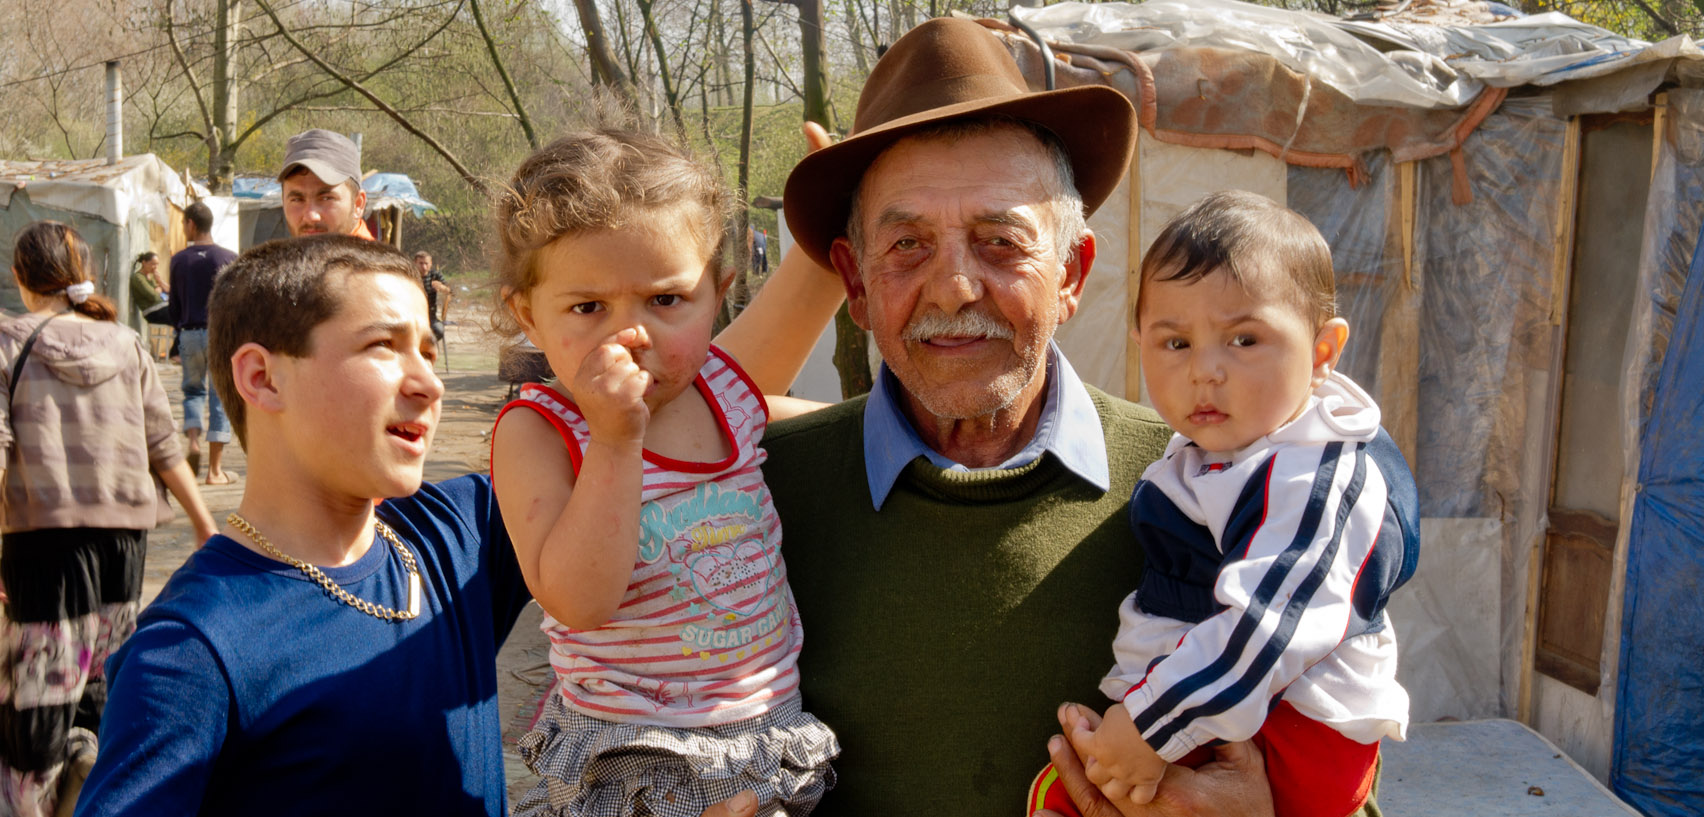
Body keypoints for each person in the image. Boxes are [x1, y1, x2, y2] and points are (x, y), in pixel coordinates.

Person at [763, 18, 1347, 817]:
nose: (954, 288)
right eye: (906, 245)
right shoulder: (760, 498)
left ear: (1073, 272)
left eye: (1000, 240)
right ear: (855, 284)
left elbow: (1344, 773)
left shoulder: (1216, 491)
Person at [74, 235, 764, 817]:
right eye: (384, 345)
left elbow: (699, 390)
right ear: (262, 377)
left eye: (429, 352)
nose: (429, 383)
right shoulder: (190, 650)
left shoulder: (455, 534)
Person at [489, 129, 845, 816]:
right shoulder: (540, 430)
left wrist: (837, 182)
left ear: (718, 293)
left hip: (767, 741)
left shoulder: (728, 392)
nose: (631, 334)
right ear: (528, 315)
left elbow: (818, 306)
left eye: (665, 300)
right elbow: (578, 599)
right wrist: (616, 442)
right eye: (588, 308)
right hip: (636, 763)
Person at [1037, 191, 1417, 817]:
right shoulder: (1207, 453)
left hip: (1293, 729)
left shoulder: (1320, 476)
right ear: (1139, 341)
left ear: (1322, 351)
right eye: (1175, 343)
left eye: (1244, 339)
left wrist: (1146, 726)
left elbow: (1265, 628)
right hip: (1204, 706)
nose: (1205, 370)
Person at [0, 221, 216, 817]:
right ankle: (95, 797)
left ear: (21, 278)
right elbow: (163, 443)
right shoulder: (125, 342)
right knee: (100, 684)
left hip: (43, 545)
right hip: (124, 542)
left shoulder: (1, 345)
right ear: (82, 276)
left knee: (36, 703)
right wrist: (204, 523)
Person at [170, 201, 238, 484]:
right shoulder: (228, 258)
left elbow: (174, 304)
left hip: (189, 333)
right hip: (218, 334)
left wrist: (176, 339)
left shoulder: (178, 260)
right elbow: (235, 303)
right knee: (220, 397)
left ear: (191, 225)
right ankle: (214, 471)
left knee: (193, 392)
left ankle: (194, 442)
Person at [279, 128, 376, 239]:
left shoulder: (372, 256)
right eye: (297, 200)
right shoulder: (293, 255)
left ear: (358, 204)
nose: (311, 216)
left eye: (326, 198)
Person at [414, 250, 452, 346]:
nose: (424, 267)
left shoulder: (435, 275)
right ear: (415, 263)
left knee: (439, 330)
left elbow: (449, 291)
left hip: (430, 315)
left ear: (431, 264)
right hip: (413, 313)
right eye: (421, 263)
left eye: (426, 263)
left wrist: (441, 287)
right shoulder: (411, 275)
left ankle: (425, 347)